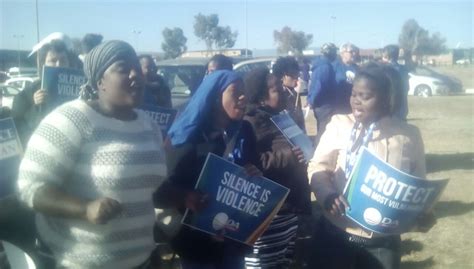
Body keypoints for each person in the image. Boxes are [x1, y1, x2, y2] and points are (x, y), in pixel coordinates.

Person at [17, 40, 167, 268]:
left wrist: (184, 196)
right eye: (123, 68)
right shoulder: (70, 120)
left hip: (141, 261)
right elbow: (30, 187)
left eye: (137, 67)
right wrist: (84, 208)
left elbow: (146, 189)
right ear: (100, 81)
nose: (136, 74)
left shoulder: (149, 126)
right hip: (75, 262)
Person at [307, 65, 435, 269]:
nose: (356, 101)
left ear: (385, 100)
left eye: (365, 96)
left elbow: (417, 184)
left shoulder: (408, 135)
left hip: (383, 243)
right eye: (353, 94)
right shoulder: (339, 124)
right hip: (336, 236)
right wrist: (327, 194)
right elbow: (317, 167)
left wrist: (422, 213)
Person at [155, 70, 259, 269]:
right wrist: (188, 198)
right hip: (196, 247)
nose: (243, 97)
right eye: (235, 92)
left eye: (244, 92)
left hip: (227, 240)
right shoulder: (184, 141)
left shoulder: (226, 135)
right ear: (213, 97)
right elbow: (159, 192)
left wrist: (249, 177)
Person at [242, 67, 311, 269]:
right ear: (261, 97)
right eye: (275, 89)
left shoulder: (282, 117)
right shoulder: (251, 123)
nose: (282, 91)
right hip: (270, 210)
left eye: (281, 87)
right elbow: (253, 164)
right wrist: (288, 156)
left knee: (283, 261)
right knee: (265, 263)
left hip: (291, 205)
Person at [11, 33, 79, 146]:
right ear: (43, 64)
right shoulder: (24, 96)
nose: (58, 65)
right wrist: (37, 106)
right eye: (53, 60)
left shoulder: (78, 87)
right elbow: (19, 132)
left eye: (63, 60)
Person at [308, 42, 338, 147]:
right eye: (335, 52)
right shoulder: (325, 67)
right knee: (324, 129)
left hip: (321, 103)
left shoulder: (321, 65)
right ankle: (319, 149)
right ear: (331, 53)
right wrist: (312, 101)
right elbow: (319, 86)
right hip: (324, 105)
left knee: (322, 127)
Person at [272, 56, 306, 131]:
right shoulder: (279, 93)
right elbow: (290, 114)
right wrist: (295, 93)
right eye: (293, 75)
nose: (296, 78)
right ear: (282, 76)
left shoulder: (292, 90)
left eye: (297, 74)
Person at [381, 44, 409, 120]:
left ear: (387, 56)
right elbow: (407, 88)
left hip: (390, 108)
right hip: (403, 107)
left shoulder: (386, 69)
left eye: (383, 56)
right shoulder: (403, 69)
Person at [332, 42, 359, 114]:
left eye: (355, 52)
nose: (354, 54)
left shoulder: (357, 68)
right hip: (337, 104)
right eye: (351, 52)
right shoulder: (334, 67)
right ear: (342, 53)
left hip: (353, 103)